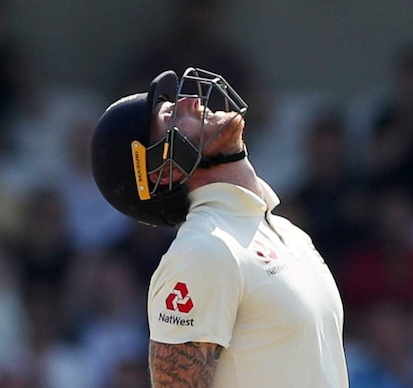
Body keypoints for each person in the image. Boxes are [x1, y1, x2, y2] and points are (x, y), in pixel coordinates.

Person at [89, 67, 348, 387]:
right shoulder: (203, 250)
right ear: (162, 171)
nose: (191, 100)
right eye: (170, 117)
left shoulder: (289, 233)